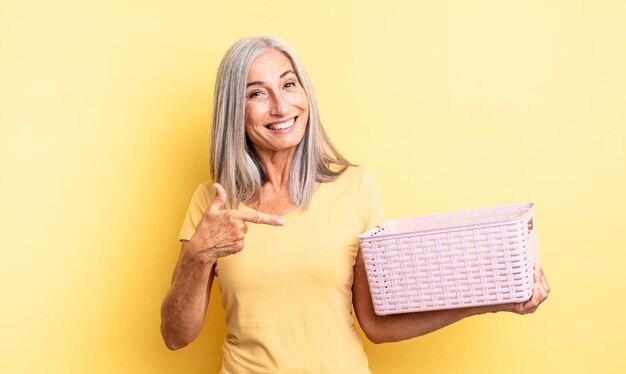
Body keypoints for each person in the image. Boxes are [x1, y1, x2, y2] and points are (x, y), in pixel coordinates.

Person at [160, 36, 550, 373]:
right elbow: (176, 336)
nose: (281, 107)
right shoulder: (213, 204)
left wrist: (494, 301)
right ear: (234, 109)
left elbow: (377, 325)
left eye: (289, 85)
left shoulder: (355, 188)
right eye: (257, 93)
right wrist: (197, 255)